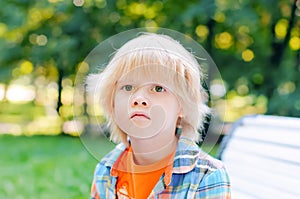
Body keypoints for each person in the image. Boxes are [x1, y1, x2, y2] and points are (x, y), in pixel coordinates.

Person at [87, 32, 231, 199]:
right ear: (111, 103)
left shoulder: (207, 176)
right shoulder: (105, 170)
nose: (139, 99)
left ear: (183, 106)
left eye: (158, 88)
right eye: (128, 87)